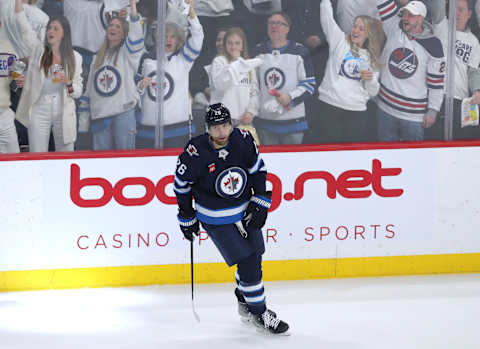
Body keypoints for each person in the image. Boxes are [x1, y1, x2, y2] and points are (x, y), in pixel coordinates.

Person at [174, 103, 289, 335]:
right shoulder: (195, 152)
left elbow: (257, 170)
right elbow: (181, 184)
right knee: (247, 262)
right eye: (216, 127)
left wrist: (260, 201)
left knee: (256, 254)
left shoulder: (243, 140)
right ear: (208, 128)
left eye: (225, 125)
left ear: (231, 124)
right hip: (216, 217)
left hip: (245, 208)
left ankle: (245, 298)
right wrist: (186, 215)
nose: (221, 132)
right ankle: (260, 313)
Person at [311, 0, 385, 144]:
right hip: (329, 106)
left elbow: (373, 92)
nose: (355, 30)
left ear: (368, 33)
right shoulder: (339, 41)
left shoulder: (372, 58)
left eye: (361, 28)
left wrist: (370, 80)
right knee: (326, 154)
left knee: (349, 157)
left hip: (355, 112)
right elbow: (327, 18)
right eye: (355, 26)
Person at [14, 0, 83, 152]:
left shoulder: (75, 57)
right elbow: (24, 28)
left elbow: (78, 92)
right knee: (37, 154)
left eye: (56, 29)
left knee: (66, 154)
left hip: (62, 108)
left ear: (64, 33)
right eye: (49, 28)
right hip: (39, 106)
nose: (51, 31)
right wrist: (18, 2)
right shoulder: (39, 51)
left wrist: (68, 83)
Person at [136, 0, 203, 148]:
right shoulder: (146, 59)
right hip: (147, 132)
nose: (168, 39)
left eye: (172, 36)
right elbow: (134, 88)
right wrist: (140, 86)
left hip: (177, 131)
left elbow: (198, 38)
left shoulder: (183, 59)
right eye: (164, 35)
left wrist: (191, 10)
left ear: (179, 40)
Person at [375, 0, 445, 142]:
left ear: (421, 19)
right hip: (385, 109)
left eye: (411, 15)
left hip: (413, 117)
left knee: (411, 160)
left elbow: (436, 83)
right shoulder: (394, 26)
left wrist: (433, 110)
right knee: (385, 156)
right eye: (404, 14)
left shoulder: (433, 45)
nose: (405, 18)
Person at [85, 0, 144, 150]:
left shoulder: (128, 54)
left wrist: (132, 9)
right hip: (100, 116)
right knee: (101, 165)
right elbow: (89, 91)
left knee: (126, 162)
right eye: (111, 25)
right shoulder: (96, 58)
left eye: (118, 26)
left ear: (124, 33)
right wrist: (83, 122)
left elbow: (136, 39)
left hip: (123, 113)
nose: (113, 27)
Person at [253, 11, 316, 145]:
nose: (274, 26)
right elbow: (254, 85)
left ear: (287, 29)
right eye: (271, 23)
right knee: (269, 165)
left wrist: (290, 97)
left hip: (294, 123)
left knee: (293, 165)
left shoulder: (300, 51)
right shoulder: (258, 51)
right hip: (265, 123)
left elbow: (309, 85)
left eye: (279, 23)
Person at [428, 0, 480, 140]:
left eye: (461, 10)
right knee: (433, 140)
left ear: (469, 14)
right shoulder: (441, 25)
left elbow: (473, 71)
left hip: (460, 101)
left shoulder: (473, 41)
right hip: (436, 97)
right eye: (453, 8)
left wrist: (477, 91)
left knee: (458, 142)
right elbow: (436, 5)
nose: (456, 13)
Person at [208, 27, 262, 143]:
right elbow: (221, 85)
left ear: (243, 46)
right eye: (230, 43)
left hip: (243, 122)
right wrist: (236, 65)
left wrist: (250, 111)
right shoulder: (219, 62)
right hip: (221, 124)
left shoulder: (248, 66)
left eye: (237, 43)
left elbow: (254, 92)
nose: (233, 47)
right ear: (225, 45)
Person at [0, 18, 21, 153]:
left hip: (4, 114)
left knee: (14, 161)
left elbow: (15, 83)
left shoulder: (10, 49)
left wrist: (19, 82)